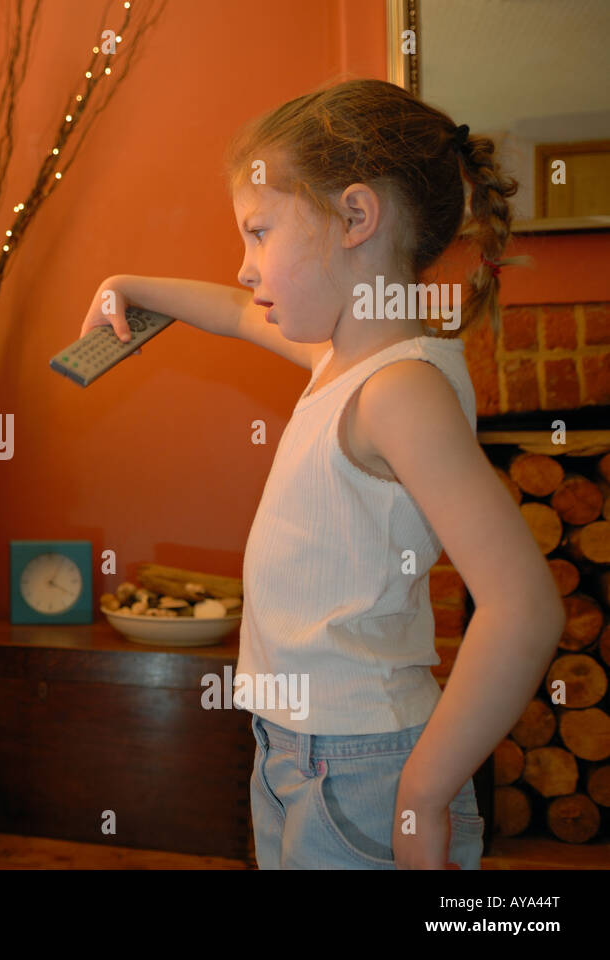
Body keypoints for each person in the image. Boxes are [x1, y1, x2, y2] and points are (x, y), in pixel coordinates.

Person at [79, 78, 563, 869]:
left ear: (355, 217)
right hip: (297, 752)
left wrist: (424, 793)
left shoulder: (399, 393)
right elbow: (234, 314)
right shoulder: (345, 360)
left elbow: (523, 607)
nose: (244, 267)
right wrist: (126, 286)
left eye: (259, 232)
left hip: (367, 768)